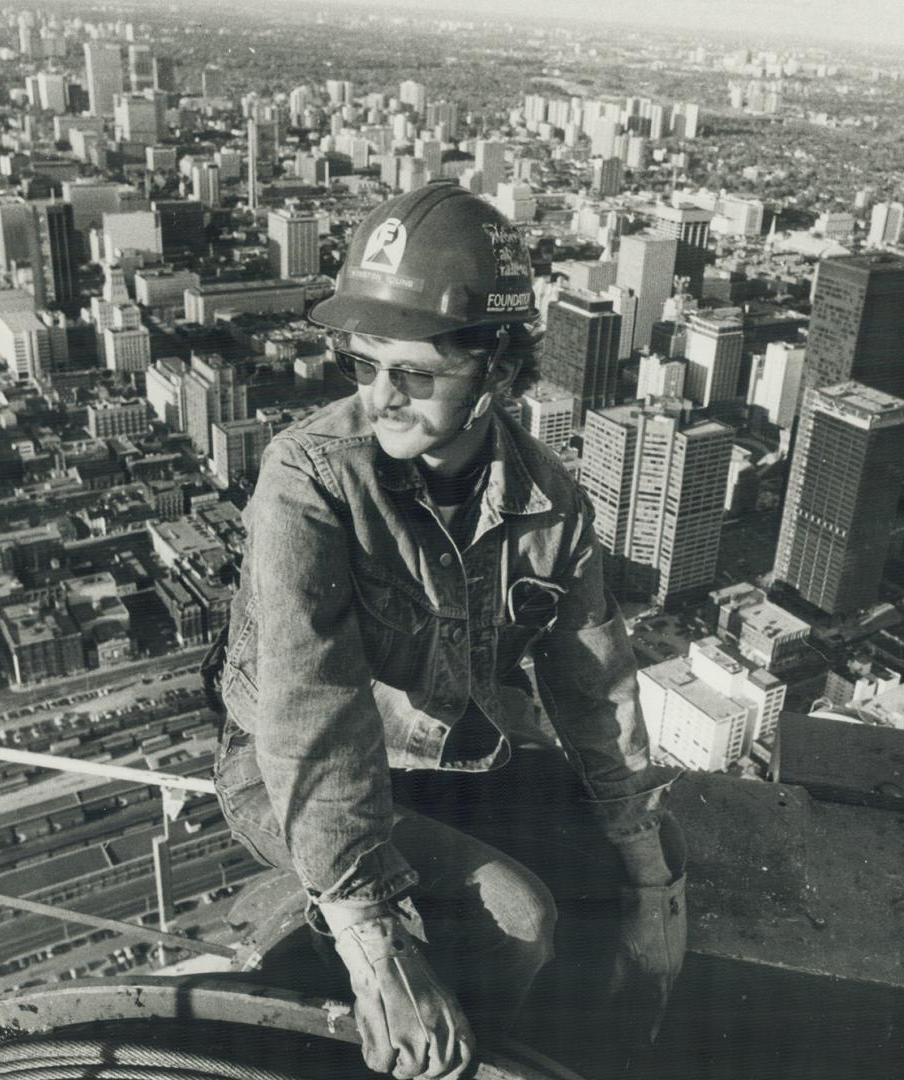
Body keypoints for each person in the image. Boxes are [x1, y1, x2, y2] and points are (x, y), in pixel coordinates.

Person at [208, 182, 686, 1080]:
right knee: (518, 916)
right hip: (283, 772)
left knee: (624, 877)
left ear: (496, 370)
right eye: (364, 365)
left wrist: (649, 874)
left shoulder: (549, 501)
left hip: (445, 762)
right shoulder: (310, 478)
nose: (381, 398)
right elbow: (313, 710)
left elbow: (595, 689)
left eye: (414, 373)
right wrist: (370, 937)